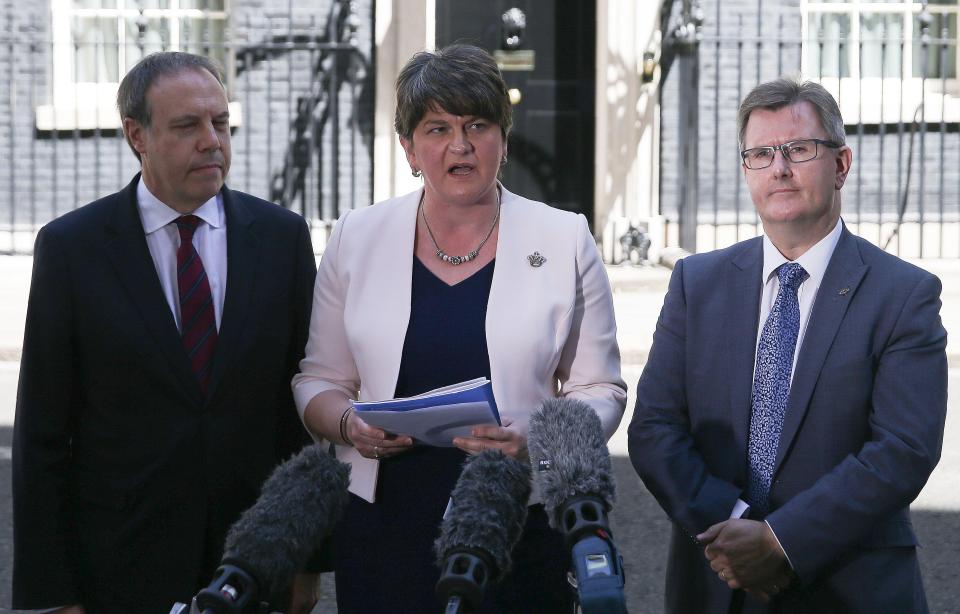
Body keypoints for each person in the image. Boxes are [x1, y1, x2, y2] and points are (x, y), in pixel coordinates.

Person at [292, 43, 626, 612]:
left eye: (478, 124)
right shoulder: (356, 237)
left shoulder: (564, 238)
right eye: (436, 128)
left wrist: (538, 440)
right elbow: (317, 380)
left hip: (516, 513)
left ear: (503, 136)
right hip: (382, 521)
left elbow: (601, 391)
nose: (460, 145)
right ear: (408, 148)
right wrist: (350, 426)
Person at [12, 52, 317, 613]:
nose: (212, 141)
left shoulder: (281, 238)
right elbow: (42, 434)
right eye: (186, 126)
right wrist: (55, 592)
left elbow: (297, 411)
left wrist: (308, 558)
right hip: (122, 564)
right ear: (137, 136)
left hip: (253, 560)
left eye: (220, 123)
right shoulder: (72, 250)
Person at [628, 77, 948, 613]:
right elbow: (654, 429)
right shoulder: (696, 284)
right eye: (760, 153)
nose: (779, 167)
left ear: (841, 164)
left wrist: (780, 541)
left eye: (799, 150)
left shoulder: (903, 295)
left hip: (849, 585)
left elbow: (902, 450)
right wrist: (737, 528)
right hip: (717, 580)